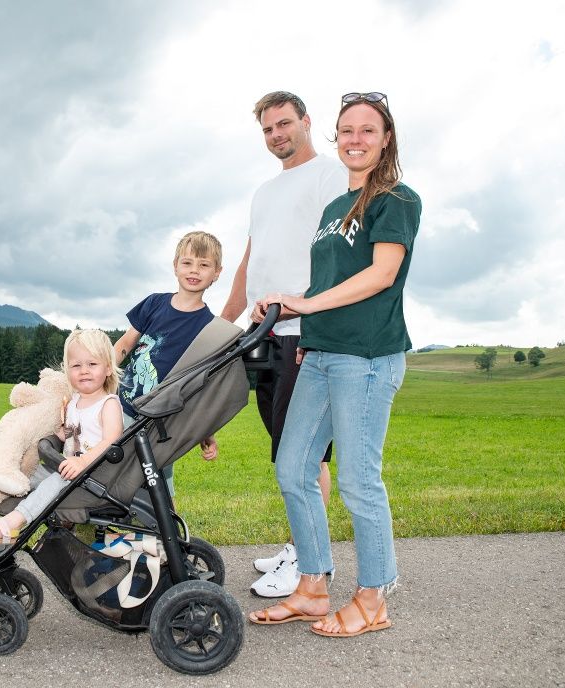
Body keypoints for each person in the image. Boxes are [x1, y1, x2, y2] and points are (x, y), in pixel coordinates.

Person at [247, 91, 420, 638]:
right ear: (336, 137)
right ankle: (313, 587)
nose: (355, 139)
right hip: (319, 353)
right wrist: (290, 308)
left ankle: (372, 599)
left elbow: (381, 274)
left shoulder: (396, 199)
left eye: (368, 130)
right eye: (347, 130)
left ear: (386, 139)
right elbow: (323, 282)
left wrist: (304, 306)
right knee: (293, 467)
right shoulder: (331, 211)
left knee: (359, 481)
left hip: (366, 358)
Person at [220, 91, 347, 598]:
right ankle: (300, 546)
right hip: (263, 336)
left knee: (305, 456)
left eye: (284, 124)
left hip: (304, 334)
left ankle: (309, 564)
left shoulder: (330, 175)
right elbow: (250, 263)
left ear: (306, 121)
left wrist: (309, 313)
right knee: (283, 449)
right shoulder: (264, 193)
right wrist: (221, 326)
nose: (277, 135)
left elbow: (339, 255)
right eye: (268, 128)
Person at [0, 328, 124, 543]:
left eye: (92, 364)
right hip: (67, 470)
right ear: (67, 370)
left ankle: (14, 522)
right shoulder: (74, 402)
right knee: (25, 473)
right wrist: (60, 435)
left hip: (95, 476)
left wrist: (83, 462)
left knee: (54, 483)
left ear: (108, 368)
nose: (84, 371)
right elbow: (75, 434)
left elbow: (112, 441)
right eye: (76, 365)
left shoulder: (108, 404)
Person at [114, 230, 222, 492]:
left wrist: (205, 432)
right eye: (187, 262)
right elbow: (125, 344)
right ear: (175, 266)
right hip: (123, 405)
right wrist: (101, 378)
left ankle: (166, 520)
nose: (194, 270)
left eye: (204, 265)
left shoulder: (209, 327)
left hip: (162, 420)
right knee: (110, 470)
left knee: (158, 484)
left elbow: (199, 384)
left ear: (217, 273)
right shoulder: (154, 303)